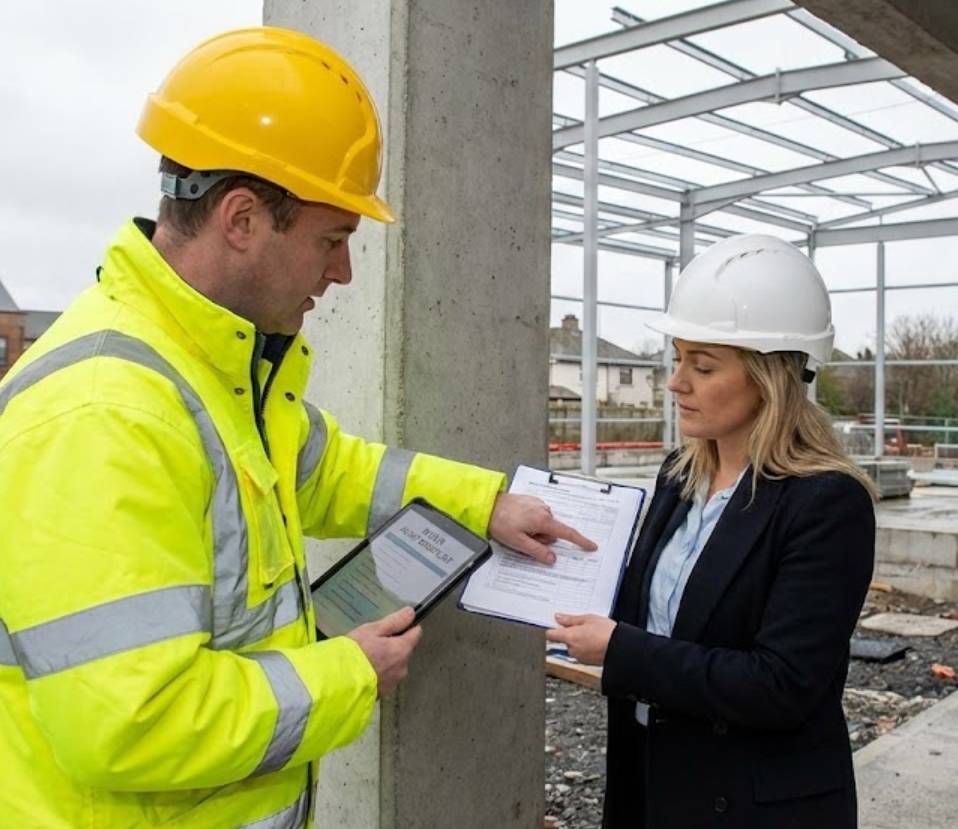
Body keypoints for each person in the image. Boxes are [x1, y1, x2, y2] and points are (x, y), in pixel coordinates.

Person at [0, 27, 594, 829]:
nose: (342, 271)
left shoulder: (211, 366)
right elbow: (132, 721)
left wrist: (485, 502)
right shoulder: (106, 414)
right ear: (242, 218)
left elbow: (331, 469)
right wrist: (348, 672)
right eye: (333, 238)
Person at [547, 234, 878, 829]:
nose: (676, 381)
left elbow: (780, 684)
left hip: (751, 803)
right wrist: (554, 573)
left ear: (769, 378)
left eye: (702, 365)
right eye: (675, 358)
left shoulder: (827, 504)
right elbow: (648, 613)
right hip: (653, 775)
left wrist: (619, 649)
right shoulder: (681, 474)